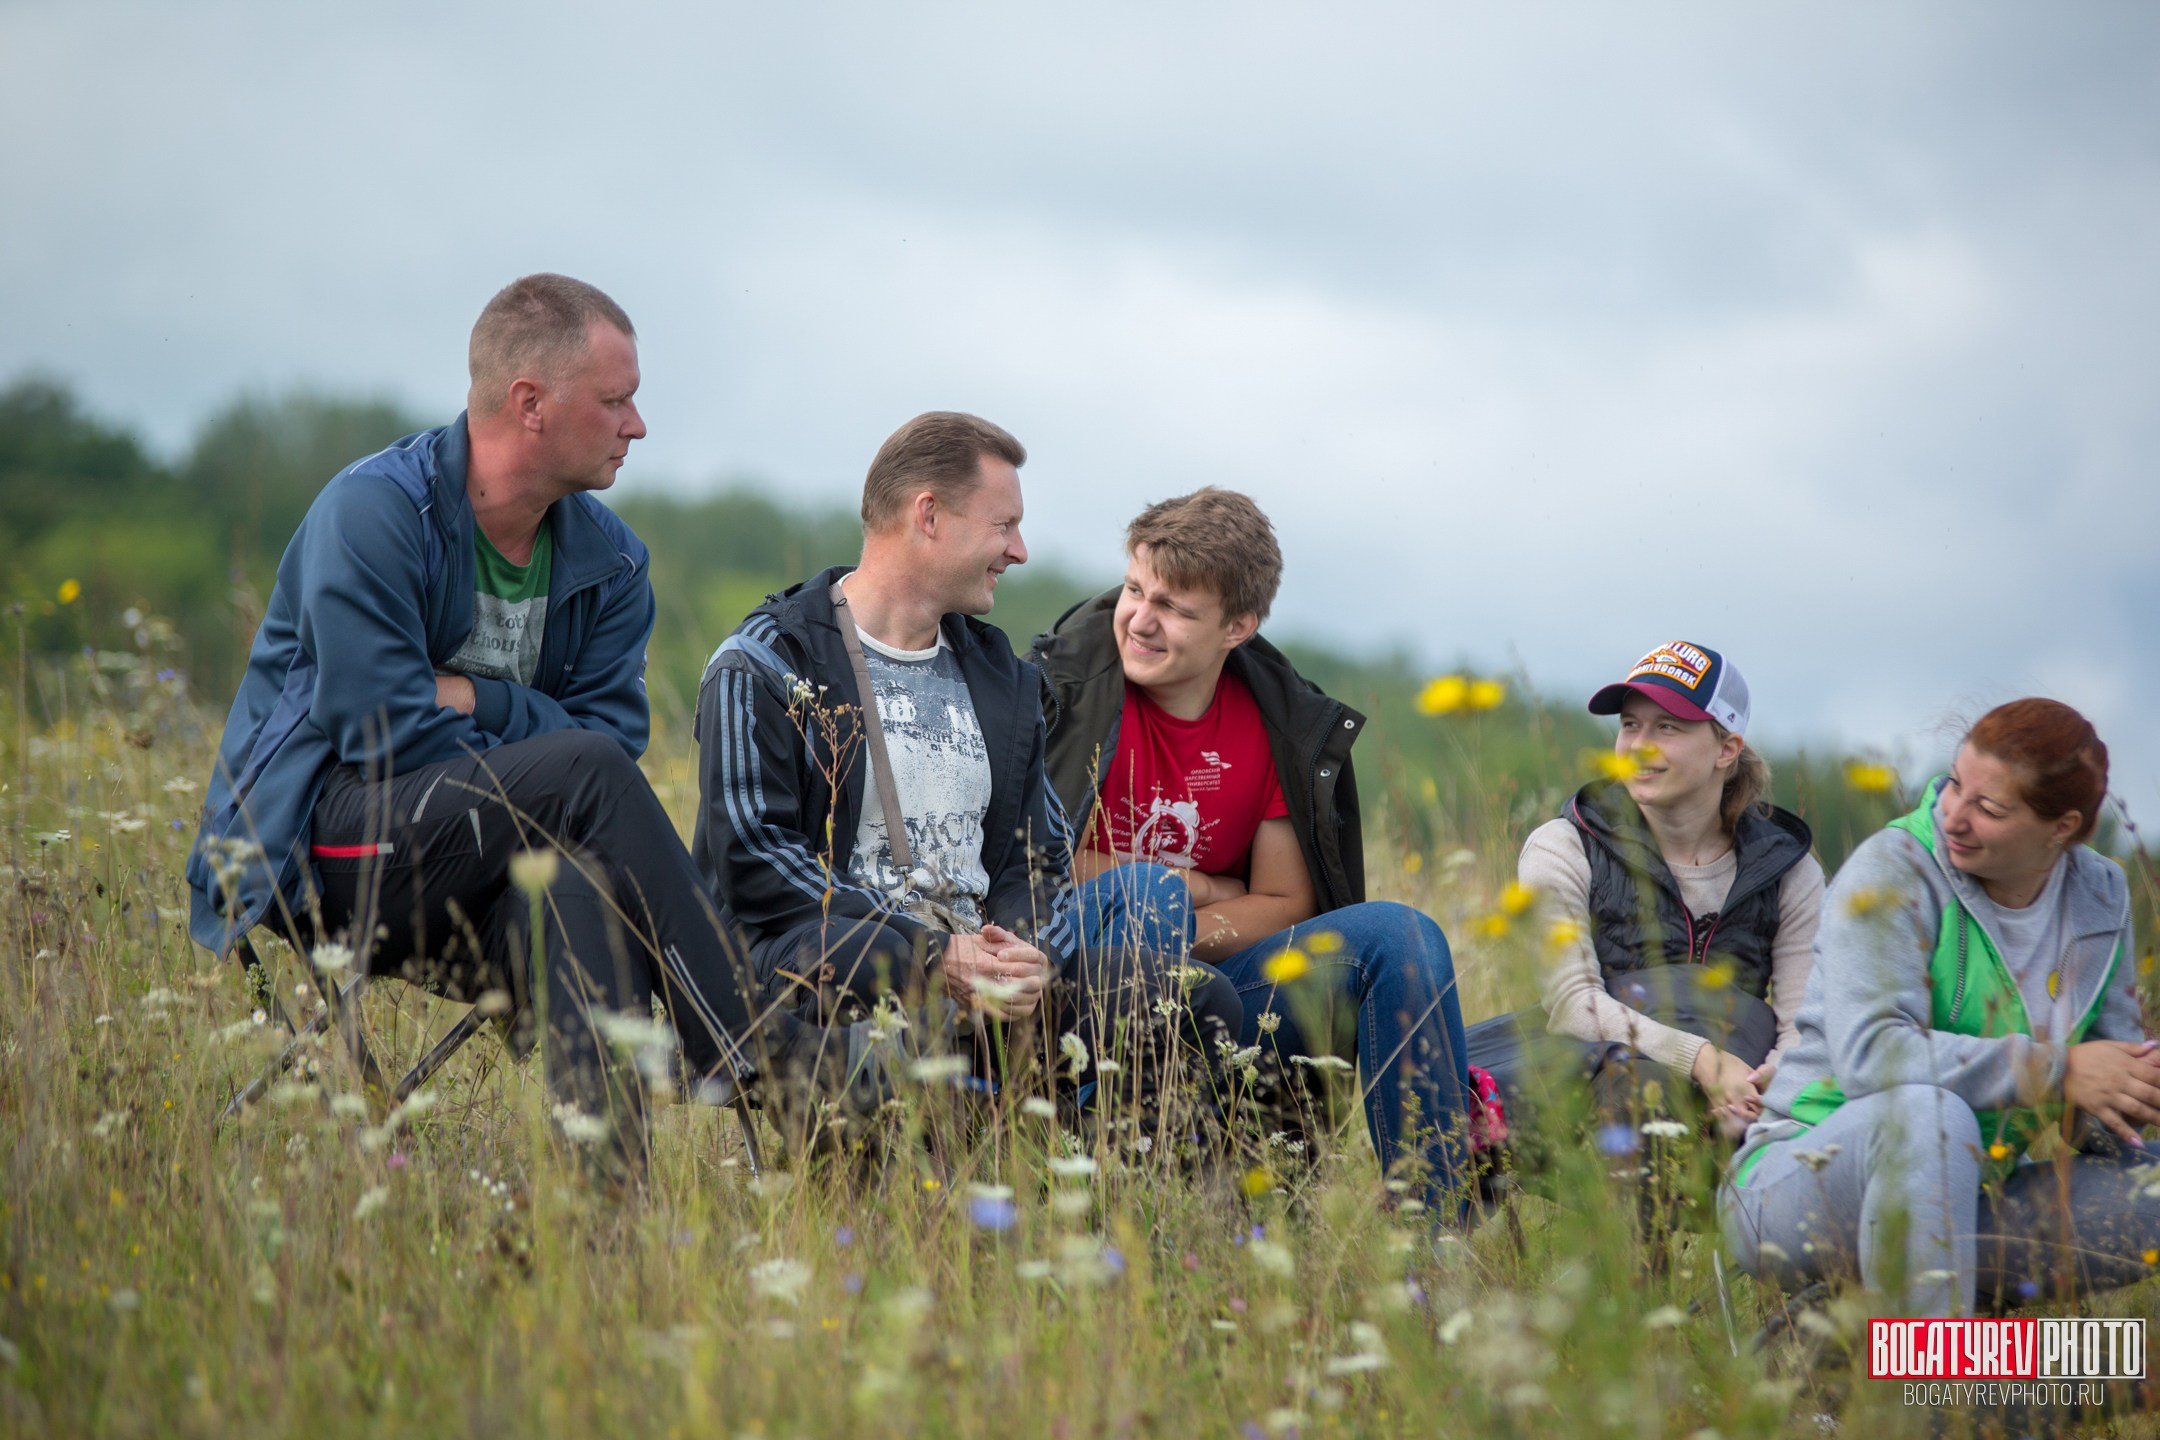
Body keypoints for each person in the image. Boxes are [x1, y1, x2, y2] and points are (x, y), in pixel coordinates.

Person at [187, 273, 864, 1176]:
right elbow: (379, 734)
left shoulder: (613, 563)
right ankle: (757, 1052)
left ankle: (605, 1216)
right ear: (529, 403)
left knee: (576, 879)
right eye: (616, 400)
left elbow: (612, 742)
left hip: (494, 864)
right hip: (329, 854)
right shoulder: (375, 514)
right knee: (577, 776)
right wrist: (539, 749)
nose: (638, 425)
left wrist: (479, 699)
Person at [693, 413, 1237, 1109]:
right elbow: (755, 859)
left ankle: (1110, 1192)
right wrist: (932, 956)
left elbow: (1035, 857)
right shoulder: (766, 662)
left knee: (1193, 998)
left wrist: (1026, 954)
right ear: (929, 516)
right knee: (864, 959)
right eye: (1003, 526)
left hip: (985, 982)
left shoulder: (1003, 679)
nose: (1020, 551)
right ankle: (926, 1109)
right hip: (828, 969)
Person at [1031, 487, 1477, 1213]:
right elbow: (1039, 860)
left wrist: (1182, 926)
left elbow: (1285, 903)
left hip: (1215, 979)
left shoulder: (1279, 727)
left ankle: (1434, 1238)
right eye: (1135, 590)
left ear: (1238, 625)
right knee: (1152, 894)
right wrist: (1190, 887)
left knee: (1403, 934)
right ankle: (1103, 1181)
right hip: (1069, 977)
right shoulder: (1062, 690)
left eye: (1174, 608)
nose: (1140, 620)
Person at [1723, 698, 2160, 1316]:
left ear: (2060, 828)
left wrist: (2133, 1084)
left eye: (1989, 808)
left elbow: (2099, 1110)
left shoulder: (2100, 895)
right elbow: (1871, 1057)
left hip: (1971, 1197)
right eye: (1955, 783)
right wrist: (2061, 1070)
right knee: (1929, 1118)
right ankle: (1929, 1396)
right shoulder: (1894, 867)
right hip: (1799, 1179)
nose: (1953, 815)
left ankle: (1933, 1353)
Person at [1492, 641, 1824, 1143]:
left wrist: (1764, 1085)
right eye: (1630, 725)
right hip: (1602, 1091)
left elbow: (1804, 1023)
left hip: (1745, 1096)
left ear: (1726, 749)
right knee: (1641, 1087)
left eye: (1667, 727)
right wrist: (1703, 1063)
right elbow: (1571, 1004)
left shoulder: (1790, 871)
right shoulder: (1563, 846)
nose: (1639, 746)